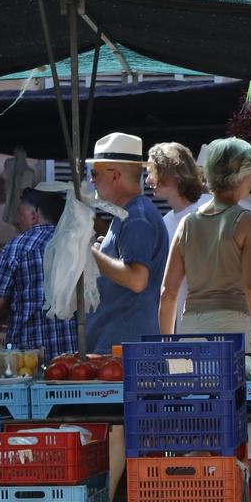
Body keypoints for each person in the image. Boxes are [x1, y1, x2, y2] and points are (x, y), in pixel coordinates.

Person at [157, 138, 251, 351]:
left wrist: (169, 346)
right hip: (232, 328)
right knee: (231, 384)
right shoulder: (250, 222)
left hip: (190, 328)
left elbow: (168, 292)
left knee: (194, 383)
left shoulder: (187, 223)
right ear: (241, 177)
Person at [84, 132, 170, 354]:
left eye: (94, 173)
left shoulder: (136, 218)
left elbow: (137, 280)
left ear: (115, 176)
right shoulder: (129, 214)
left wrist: (90, 254)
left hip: (126, 353)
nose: (91, 180)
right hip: (121, 348)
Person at [0, 184, 78, 361]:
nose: (18, 221)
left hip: (28, 353)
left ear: (34, 215)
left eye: (20, 214)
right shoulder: (76, 245)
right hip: (72, 353)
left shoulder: (15, 248)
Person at [148, 143, 207, 327]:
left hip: (214, 323)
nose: (148, 180)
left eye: (152, 172)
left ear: (170, 173)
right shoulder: (165, 222)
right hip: (184, 327)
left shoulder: (209, 210)